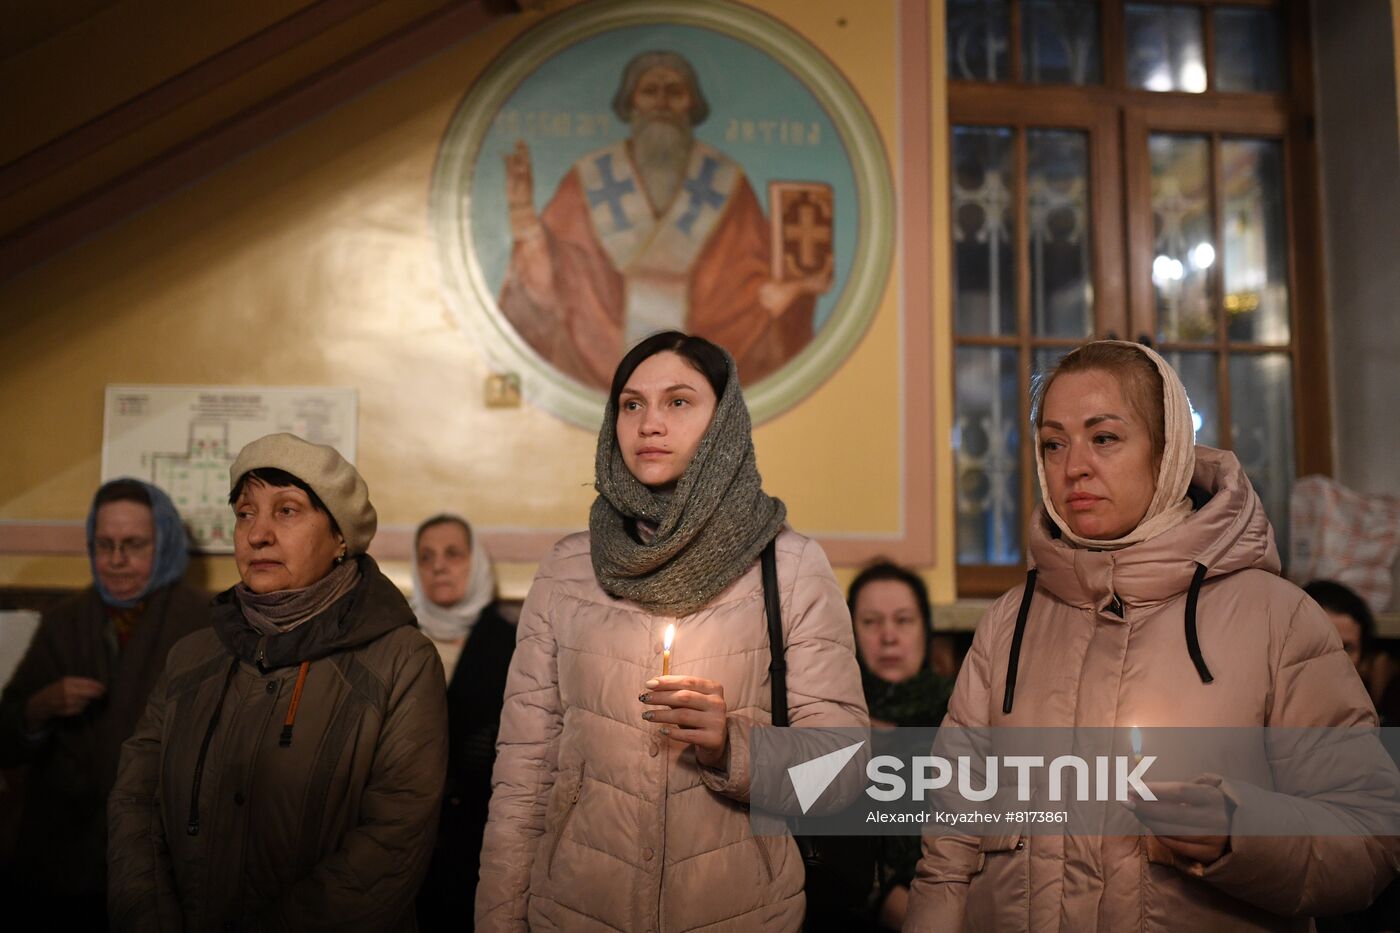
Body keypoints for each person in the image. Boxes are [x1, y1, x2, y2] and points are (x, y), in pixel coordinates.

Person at [906, 340, 1400, 930]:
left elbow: (1371, 835)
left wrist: (1238, 832)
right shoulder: (1010, 623)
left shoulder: (1277, 619)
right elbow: (947, 847)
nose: (1074, 467)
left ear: (1168, 451)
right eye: (1054, 444)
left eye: (1105, 438)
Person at [474, 331, 868, 931]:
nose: (649, 424)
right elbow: (524, 775)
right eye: (632, 405)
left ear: (723, 421)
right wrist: (498, 921)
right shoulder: (567, 570)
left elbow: (844, 773)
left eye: (678, 402)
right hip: (577, 910)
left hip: (740, 913)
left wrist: (730, 746)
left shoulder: (787, 566)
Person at [108, 434, 448, 931]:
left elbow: (394, 839)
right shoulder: (190, 657)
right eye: (246, 513)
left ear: (340, 540)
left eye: (286, 511)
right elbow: (135, 800)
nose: (258, 534)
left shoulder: (401, 663)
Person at [499, 51, 829, 389]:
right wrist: (523, 211)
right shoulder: (590, 178)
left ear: (690, 104)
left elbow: (745, 274)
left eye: (674, 91)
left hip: (702, 358)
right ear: (632, 104)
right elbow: (557, 276)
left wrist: (782, 294)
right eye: (650, 91)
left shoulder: (725, 181)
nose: (662, 102)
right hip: (600, 348)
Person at [0, 479, 206, 927]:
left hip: (163, 854)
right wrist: (39, 708)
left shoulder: (205, 625)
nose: (115, 561)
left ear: (165, 543)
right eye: (104, 544)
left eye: (133, 545)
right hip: (62, 859)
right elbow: (5, 737)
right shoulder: (65, 622)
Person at [410, 513, 515, 932]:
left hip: (483, 838)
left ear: (476, 563)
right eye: (426, 556)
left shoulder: (510, 642)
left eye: (453, 554)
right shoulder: (399, 640)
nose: (438, 565)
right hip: (412, 843)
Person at [847, 561, 955, 931]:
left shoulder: (964, 712)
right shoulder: (828, 719)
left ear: (926, 629)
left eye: (904, 620)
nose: (888, 637)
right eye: (872, 622)